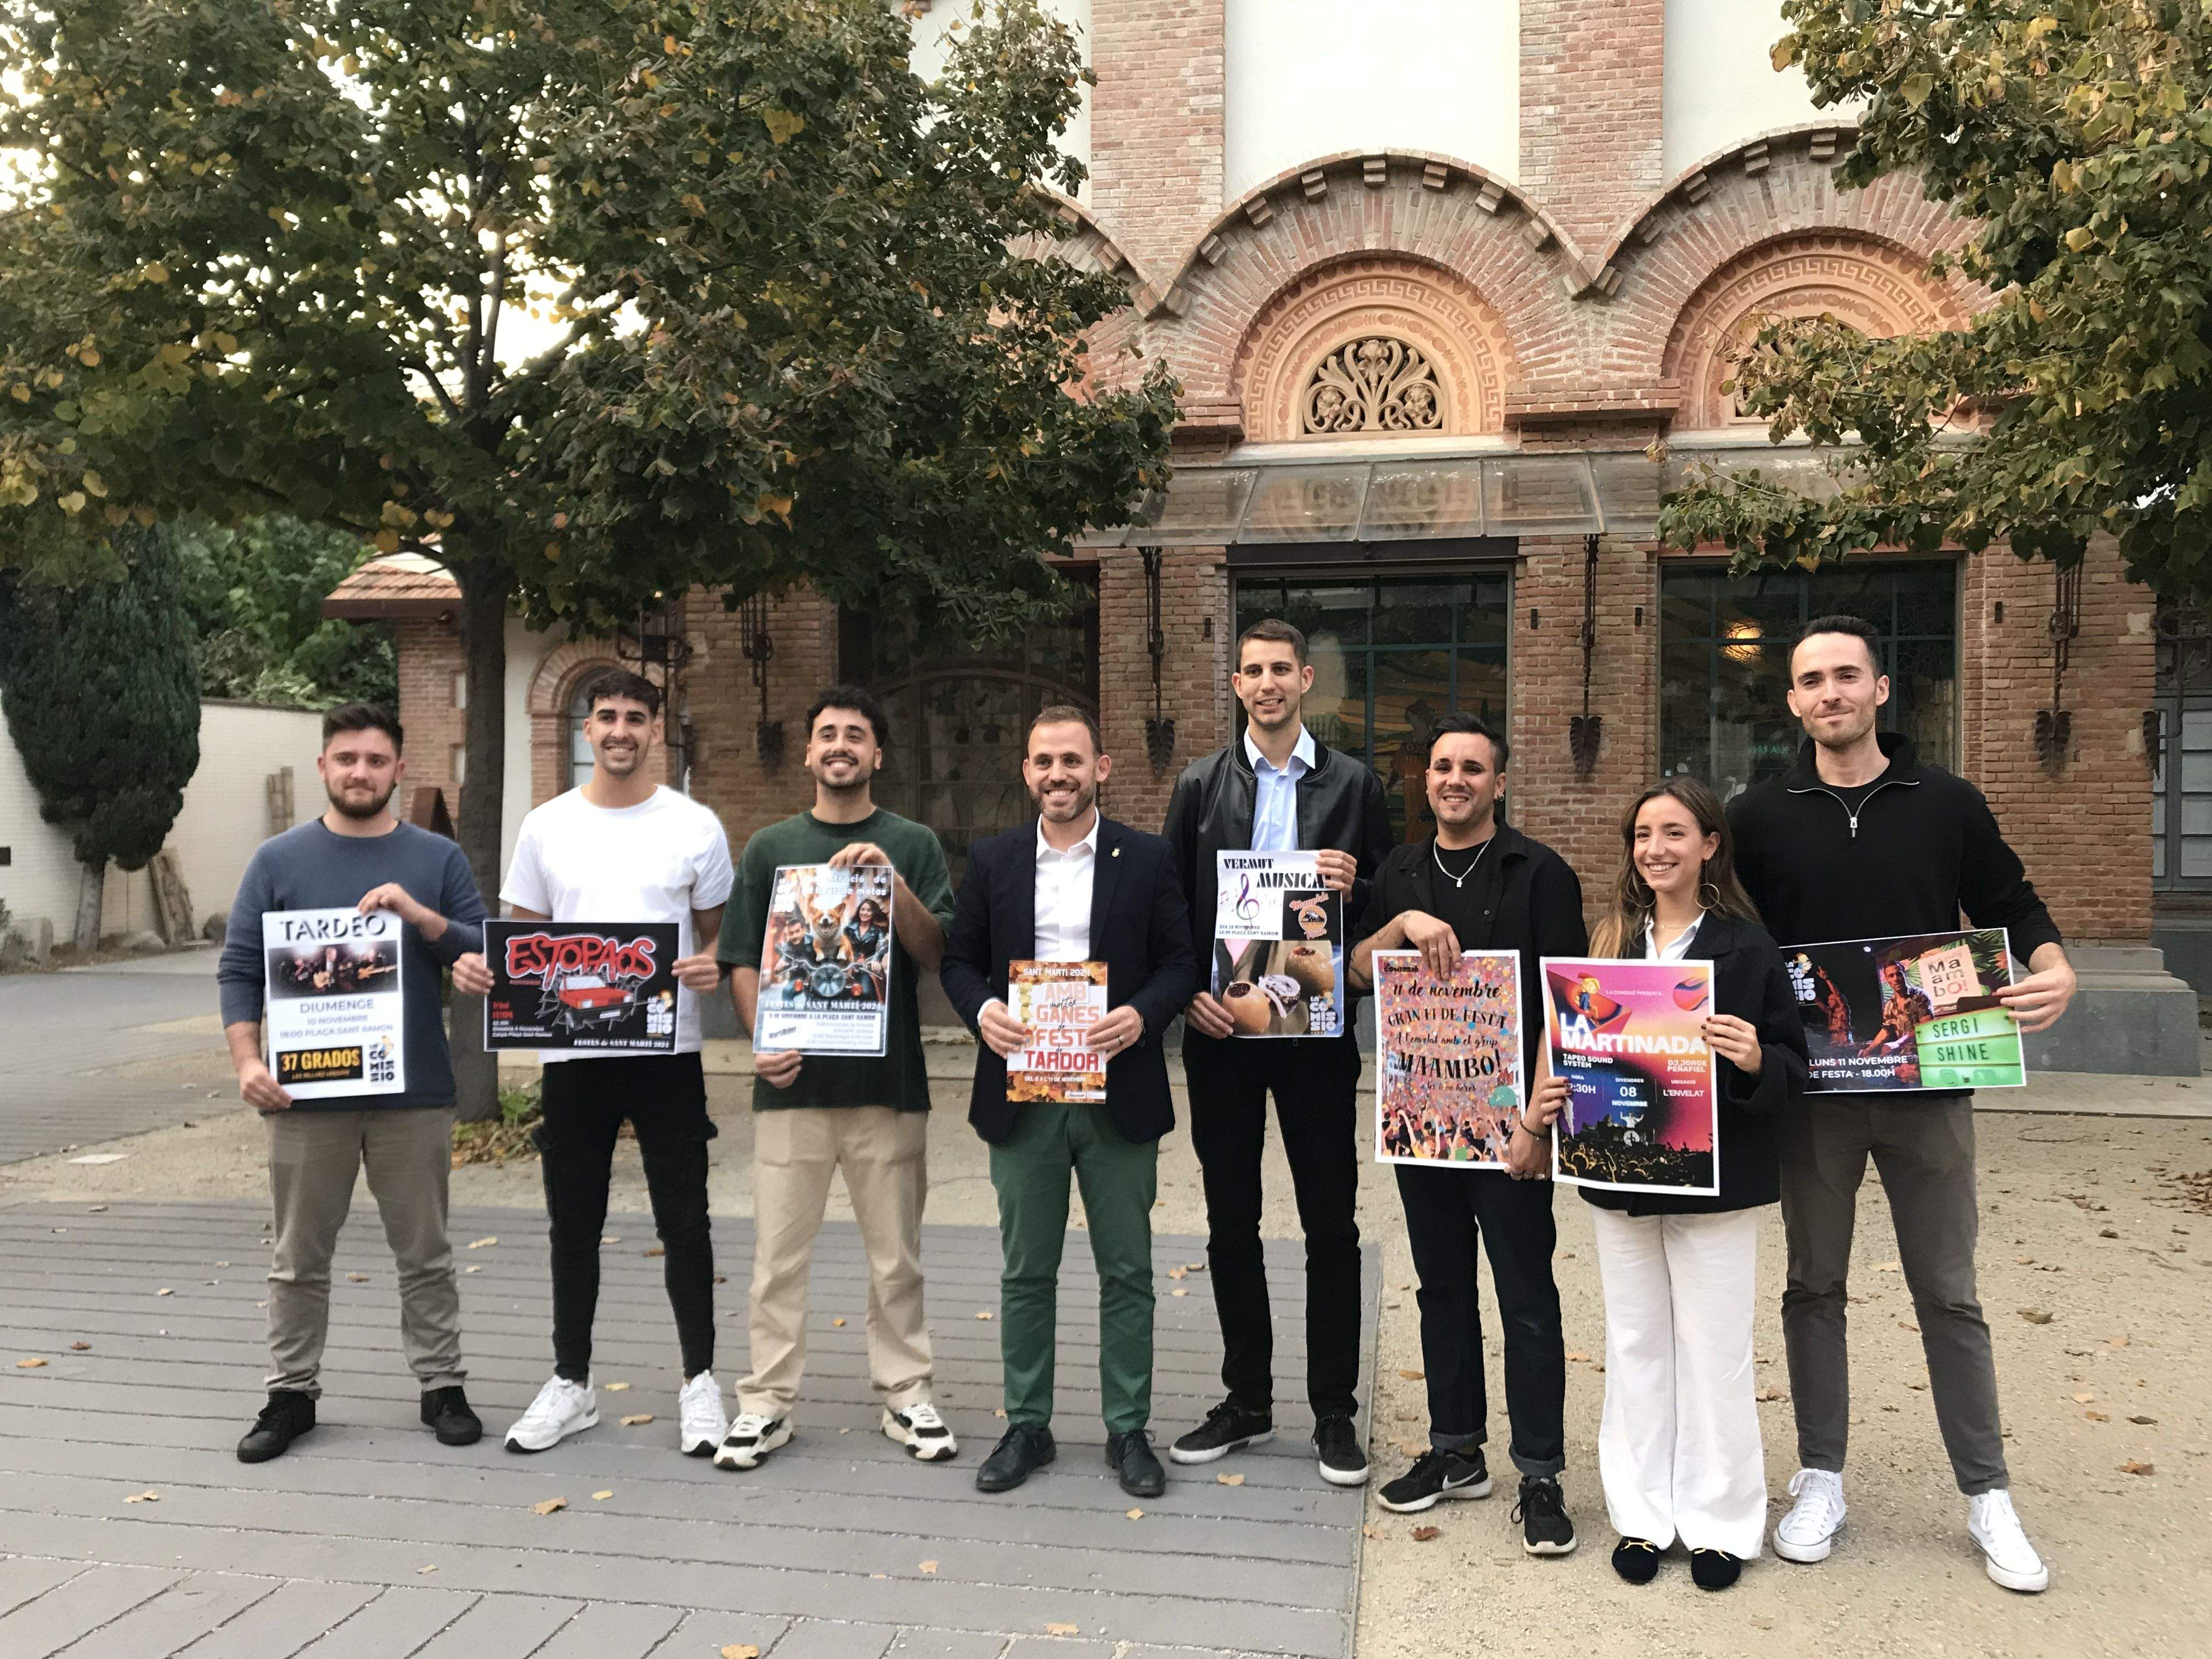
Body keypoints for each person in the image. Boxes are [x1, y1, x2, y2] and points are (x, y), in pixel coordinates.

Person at [1729, 613, 2076, 1593]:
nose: (1830, 693)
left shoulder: (1947, 802)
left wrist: (2055, 969)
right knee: (1813, 1288)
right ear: (1792, 701)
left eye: (1847, 676)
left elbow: (2013, 901)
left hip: (1931, 1089)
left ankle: (1987, 1493)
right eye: (1811, 681)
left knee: (1949, 1292)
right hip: (1816, 1097)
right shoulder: (1758, 816)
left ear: (1881, 690)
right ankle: (1823, 1477)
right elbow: (1727, 938)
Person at [218, 703, 492, 1462]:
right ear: (324, 768)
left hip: (415, 1096)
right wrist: (248, 1062)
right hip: (306, 1100)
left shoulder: (437, 858)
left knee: (426, 1252)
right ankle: (290, 1393)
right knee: (299, 1256)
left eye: (376, 760)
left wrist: (419, 917)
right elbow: (240, 969)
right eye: (347, 759)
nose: (361, 772)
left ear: (399, 770)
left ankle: (442, 1384)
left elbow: (481, 949)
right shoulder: (277, 861)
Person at [941, 707, 1197, 1498]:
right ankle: (1029, 1425)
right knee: (1027, 1269)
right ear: (1027, 771)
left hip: (1116, 1086)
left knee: (1128, 1268)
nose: (1059, 774)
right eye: (1044, 761)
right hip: (1023, 1090)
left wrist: (1144, 1013)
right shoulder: (992, 860)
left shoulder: (1147, 858)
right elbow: (958, 960)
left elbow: (1180, 961)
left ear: (1102, 768)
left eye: (1073, 761)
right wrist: (984, 1012)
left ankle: (1128, 1430)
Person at [1162, 618, 1391, 1487]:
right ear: (1236, 683)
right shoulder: (1198, 783)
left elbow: (1380, 900)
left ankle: (1335, 1413)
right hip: (1225, 1031)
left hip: (1316, 1030)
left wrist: (1354, 884)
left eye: (1281, 671)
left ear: (1305, 681)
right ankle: (1246, 1399)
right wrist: (1187, 994)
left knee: (1330, 1221)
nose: (1267, 684)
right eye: (1252, 671)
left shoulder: (1355, 783)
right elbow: (1174, 902)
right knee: (1231, 1222)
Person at [1347, 713, 1582, 1554]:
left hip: (1512, 1128)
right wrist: (1399, 925)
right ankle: (1456, 1451)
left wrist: (1538, 1127)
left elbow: (1568, 1007)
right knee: (1441, 1288)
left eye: (1472, 769)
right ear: (1426, 779)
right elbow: (1355, 970)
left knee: (1526, 1298)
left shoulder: (1541, 873)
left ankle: (1541, 1471)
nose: (1453, 780)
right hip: (1424, 1124)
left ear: (1500, 782)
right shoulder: (1399, 870)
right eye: (1441, 766)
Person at [1566, 777, 1808, 1592]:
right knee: (1635, 1346)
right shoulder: (1605, 945)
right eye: (1642, 834)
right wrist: (1565, 1091)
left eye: (1674, 833)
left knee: (1715, 1352)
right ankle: (1642, 1515)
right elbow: (1578, 1049)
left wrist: (1750, 1060)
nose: (1655, 849)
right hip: (1623, 1173)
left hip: (1716, 1183)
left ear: (1710, 844)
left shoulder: (1747, 948)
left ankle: (1721, 1523)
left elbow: (1792, 1070)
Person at [715, 686, 959, 1470]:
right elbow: (744, 960)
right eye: (827, 734)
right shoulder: (769, 846)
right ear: (811, 752)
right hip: (791, 1087)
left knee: (897, 1256)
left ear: (877, 755)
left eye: (856, 734)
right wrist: (761, 1041)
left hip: (888, 1085)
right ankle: (765, 1402)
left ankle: (907, 1393)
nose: (840, 746)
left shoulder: (911, 840)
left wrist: (890, 883)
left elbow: (936, 953)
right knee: (777, 1258)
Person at [499, 669, 734, 1458]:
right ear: (586, 729)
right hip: (574, 1056)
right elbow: (523, 940)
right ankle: (571, 1382)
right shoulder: (545, 826)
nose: (621, 730)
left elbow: (718, 936)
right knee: (574, 1220)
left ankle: (701, 1382)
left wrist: (708, 963)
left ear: (655, 729)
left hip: (667, 1052)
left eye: (637, 716)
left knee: (686, 1220)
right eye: (607, 716)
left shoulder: (695, 826)